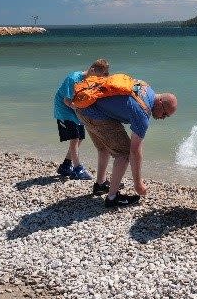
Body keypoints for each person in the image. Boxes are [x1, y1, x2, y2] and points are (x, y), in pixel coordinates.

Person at [75, 77, 177, 207]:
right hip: (94, 115)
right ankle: (112, 198)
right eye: (165, 114)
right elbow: (134, 151)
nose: (163, 118)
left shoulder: (145, 86)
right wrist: (138, 183)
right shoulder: (143, 112)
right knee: (124, 153)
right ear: (161, 102)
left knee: (104, 147)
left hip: (83, 107)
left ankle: (100, 185)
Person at [53, 59, 110, 180]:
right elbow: (66, 100)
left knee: (80, 138)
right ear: (92, 70)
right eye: (97, 76)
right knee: (75, 138)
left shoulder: (90, 81)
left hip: (76, 110)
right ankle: (77, 168)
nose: (96, 80)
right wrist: (80, 108)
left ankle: (65, 165)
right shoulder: (73, 78)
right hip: (64, 109)